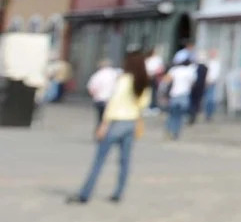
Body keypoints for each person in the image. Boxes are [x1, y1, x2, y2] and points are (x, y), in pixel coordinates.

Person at [67, 52, 152, 204]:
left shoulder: (123, 80)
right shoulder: (143, 82)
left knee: (99, 160)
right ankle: (118, 193)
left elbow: (114, 103)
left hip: (117, 121)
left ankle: (85, 193)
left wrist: (104, 124)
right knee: (125, 161)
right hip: (131, 122)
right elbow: (143, 105)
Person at [163, 57, 196, 139]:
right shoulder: (190, 71)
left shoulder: (174, 70)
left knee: (172, 114)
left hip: (174, 94)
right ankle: (176, 132)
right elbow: (193, 83)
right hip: (184, 95)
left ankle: (169, 130)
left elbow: (166, 80)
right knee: (180, 116)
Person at [86, 59, 118, 125]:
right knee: (110, 121)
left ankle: (100, 132)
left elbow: (92, 89)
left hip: (100, 100)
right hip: (112, 100)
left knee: (100, 120)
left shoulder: (98, 75)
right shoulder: (116, 74)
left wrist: (95, 96)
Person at [200, 48, 221, 121]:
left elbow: (216, 74)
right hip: (207, 82)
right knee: (208, 99)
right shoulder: (207, 62)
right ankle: (207, 114)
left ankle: (209, 114)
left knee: (211, 99)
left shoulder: (216, 63)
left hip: (213, 82)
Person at [187, 52, 208, 125]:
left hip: (194, 87)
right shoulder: (205, 68)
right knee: (196, 102)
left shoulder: (195, 67)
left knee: (192, 102)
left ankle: (192, 115)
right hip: (200, 87)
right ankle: (193, 115)